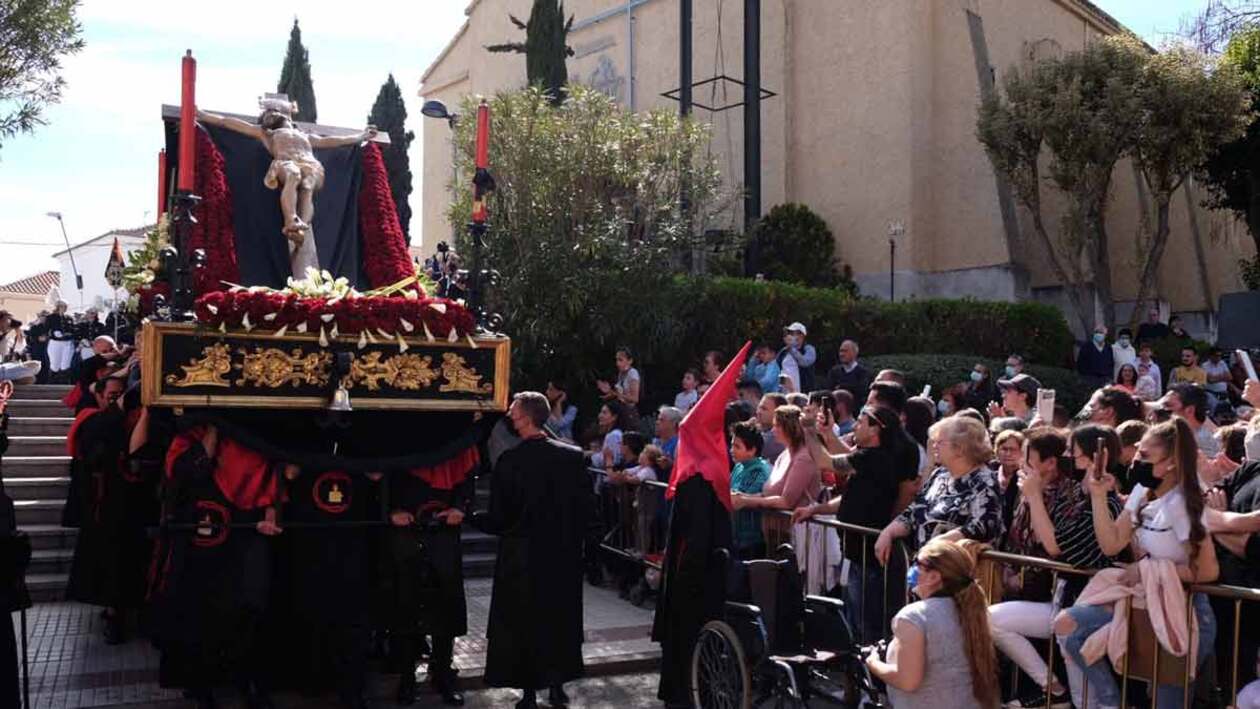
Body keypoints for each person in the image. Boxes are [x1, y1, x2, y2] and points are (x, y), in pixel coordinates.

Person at [1056, 418, 1219, 709]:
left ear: (1170, 463)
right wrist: (1098, 495)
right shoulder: (1141, 493)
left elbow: (1206, 571)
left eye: (1145, 456)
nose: (1135, 462)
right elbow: (1112, 543)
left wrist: (1144, 570)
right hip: (1144, 600)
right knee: (1069, 626)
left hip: (1183, 613)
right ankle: (1110, 703)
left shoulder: (1183, 504)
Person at [990, 428, 1122, 709]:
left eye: (1070, 452)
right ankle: (1053, 688)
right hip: (1062, 602)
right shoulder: (1071, 495)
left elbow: (1057, 548)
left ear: (1093, 457)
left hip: (1089, 606)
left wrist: (1034, 496)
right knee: (992, 619)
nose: (1064, 458)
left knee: (1090, 699)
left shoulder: (1104, 501)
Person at [152, 424, 282, 709]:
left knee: (250, 606)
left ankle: (247, 680)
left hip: (246, 533)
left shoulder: (254, 440)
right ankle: (200, 684)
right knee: (200, 608)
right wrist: (211, 430)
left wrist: (270, 510)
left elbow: (268, 482)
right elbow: (187, 473)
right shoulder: (187, 439)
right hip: (201, 535)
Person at [477, 392, 588, 709]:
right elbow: (585, 511)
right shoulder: (572, 457)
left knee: (524, 626)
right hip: (562, 556)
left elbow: (500, 518)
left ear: (525, 417)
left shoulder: (510, 462)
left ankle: (528, 694)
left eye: (513, 410)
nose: (509, 416)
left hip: (521, 557)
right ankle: (557, 687)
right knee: (559, 620)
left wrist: (471, 518)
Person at [198, 99, 377, 276]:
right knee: (293, 175)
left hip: (310, 165)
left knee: (307, 186)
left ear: (284, 116)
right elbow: (228, 123)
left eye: (272, 112)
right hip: (285, 162)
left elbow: (335, 140)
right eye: (266, 115)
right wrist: (203, 115)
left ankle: (301, 228)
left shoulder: (307, 137)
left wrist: (361, 136)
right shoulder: (266, 133)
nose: (269, 115)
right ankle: (291, 219)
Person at [797, 406, 917, 642]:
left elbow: (825, 461)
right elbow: (853, 497)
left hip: (870, 553)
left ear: (876, 429)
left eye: (861, 422)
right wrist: (817, 508)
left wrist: (809, 429)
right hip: (858, 549)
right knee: (857, 617)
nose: (855, 426)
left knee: (867, 623)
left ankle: (870, 672)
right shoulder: (873, 457)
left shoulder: (874, 457)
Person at [282, 464, 381, 709]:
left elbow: (376, 474)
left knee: (353, 622)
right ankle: (315, 680)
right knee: (313, 614)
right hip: (311, 546)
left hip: (352, 547)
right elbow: (290, 473)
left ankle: (352, 689)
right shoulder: (307, 445)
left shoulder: (355, 446)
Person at [387, 447, 477, 707]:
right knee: (405, 605)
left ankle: (443, 674)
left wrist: (460, 508)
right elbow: (386, 473)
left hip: (444, 531)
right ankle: (406, 678)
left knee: (446, 606)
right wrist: (392, 510)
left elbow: (466, 478)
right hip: (406, 531)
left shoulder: (456, 437)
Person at [865, 538, 1001, 709]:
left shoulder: (912, 616)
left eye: (918, 564)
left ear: (934, 577)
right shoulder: (971, 611)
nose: (913, 570)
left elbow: (908, 681)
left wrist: (873, 662)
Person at [65, 377, 151, 644]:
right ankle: (115, 615)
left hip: (137, 503)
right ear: (100, 397)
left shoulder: (129, 418)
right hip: (108, 506)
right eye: (112, 395)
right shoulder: (93, 420)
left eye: (121, 394)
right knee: (112, 565)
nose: (117, 398)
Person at [874, 416, 1005, 562]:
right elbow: (915, 509)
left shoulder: (984, 481)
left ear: (960, 449)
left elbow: (983, 526)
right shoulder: (940, 475)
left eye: (939, 442)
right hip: (926, 567)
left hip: (959, 573)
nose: (933, 446)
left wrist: (935, 545)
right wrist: (888, 532)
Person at [729, 421, 771, 560]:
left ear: (752, 449)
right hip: (736, 537)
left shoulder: (760, 470)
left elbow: (737, 500)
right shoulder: (739, 466)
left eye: (737, 446)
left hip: (752, 540)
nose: (731, 450)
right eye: (732, 445)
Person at [1165, 383, 1219, 457]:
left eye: (1169, 406)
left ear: (1190, 410)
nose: (1163, 411)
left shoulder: (1204, 440)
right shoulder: (1181, 431)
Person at [596, 347, 642, 428]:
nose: (618, 363)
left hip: (629, 414)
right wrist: (608, 392)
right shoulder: (621, 374)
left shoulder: (632, 373)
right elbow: (619, 394)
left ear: (630, 361)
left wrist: (613, 393)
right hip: (621, 411)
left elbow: (634, 398)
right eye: (617, 360)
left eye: (621, 360)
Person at [991, 429, 1024, 535]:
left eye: (1014, 450)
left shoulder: (1024, 478)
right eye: (1004, 449)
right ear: (996, 450)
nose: (1008, 453)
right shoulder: (989, 474)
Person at [777, 322, 817, 393]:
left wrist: (792, 348)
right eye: (789, 333)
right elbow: (778, 370)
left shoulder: (809, 349)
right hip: (785, 393)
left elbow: (805, 362)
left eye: (793, 333)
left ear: (802, 336)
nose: (790, 336)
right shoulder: (783, 352)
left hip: (803, 392)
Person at [1076, 325, 1115, 391]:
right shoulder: (1086, 346)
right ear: (1094, 334)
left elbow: (1111, 363)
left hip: (1105, 379)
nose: (1099, 334)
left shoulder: (1108, 347)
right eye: (1097, 332)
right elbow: (1080, 363)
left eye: (1101, 332)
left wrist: (1109, 377)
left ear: (1105, 335)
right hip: (1090, 379)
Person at [44, 301, 75, 383]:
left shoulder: (69, 318)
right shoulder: (51, 317)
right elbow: (46, 330)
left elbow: (73, 330)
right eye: (62, 306)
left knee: (66, 365)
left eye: (65, 306)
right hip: (55, 342)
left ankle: (65, 383)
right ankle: (52, 383)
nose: (64, 308)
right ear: (58, 307)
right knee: (55, 365)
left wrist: (69, 334)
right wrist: (53, 334)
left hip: (67, 342)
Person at [755, 393, 788, 463]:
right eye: (759, 407)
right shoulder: (761, 431)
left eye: (764, 409)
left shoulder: (778, 436)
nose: (759, 412)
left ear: (778, 413)